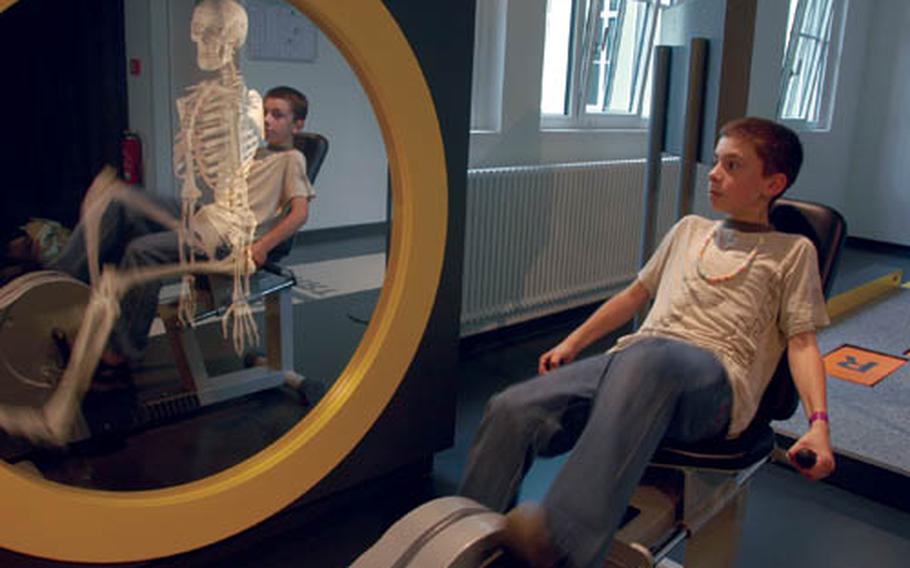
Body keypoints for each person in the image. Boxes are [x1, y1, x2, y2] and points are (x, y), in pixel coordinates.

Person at [458, 117, 836, 568]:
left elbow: (802, 342)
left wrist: (819, 424)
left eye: (732, 166)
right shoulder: (689, 230)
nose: (713, 173)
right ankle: (469, 539)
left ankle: (561, 548)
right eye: (716, 161)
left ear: (772, 183)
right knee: (513, 408)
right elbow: (634, 295)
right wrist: (573, 343)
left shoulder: (793, 252)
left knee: (651, 357)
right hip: (639, 362)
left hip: (714, 389)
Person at [47, 85, 315, 378]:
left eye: (278, 115)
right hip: (205, 216)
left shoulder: (293, 159)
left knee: (143, 250)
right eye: (265, 112)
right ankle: (56, 284)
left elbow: (300, 214)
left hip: (226, 239)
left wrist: (262, 247)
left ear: (297, 124)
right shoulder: (257, 153)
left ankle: (121, 351)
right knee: (117, 200)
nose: (267, 120)